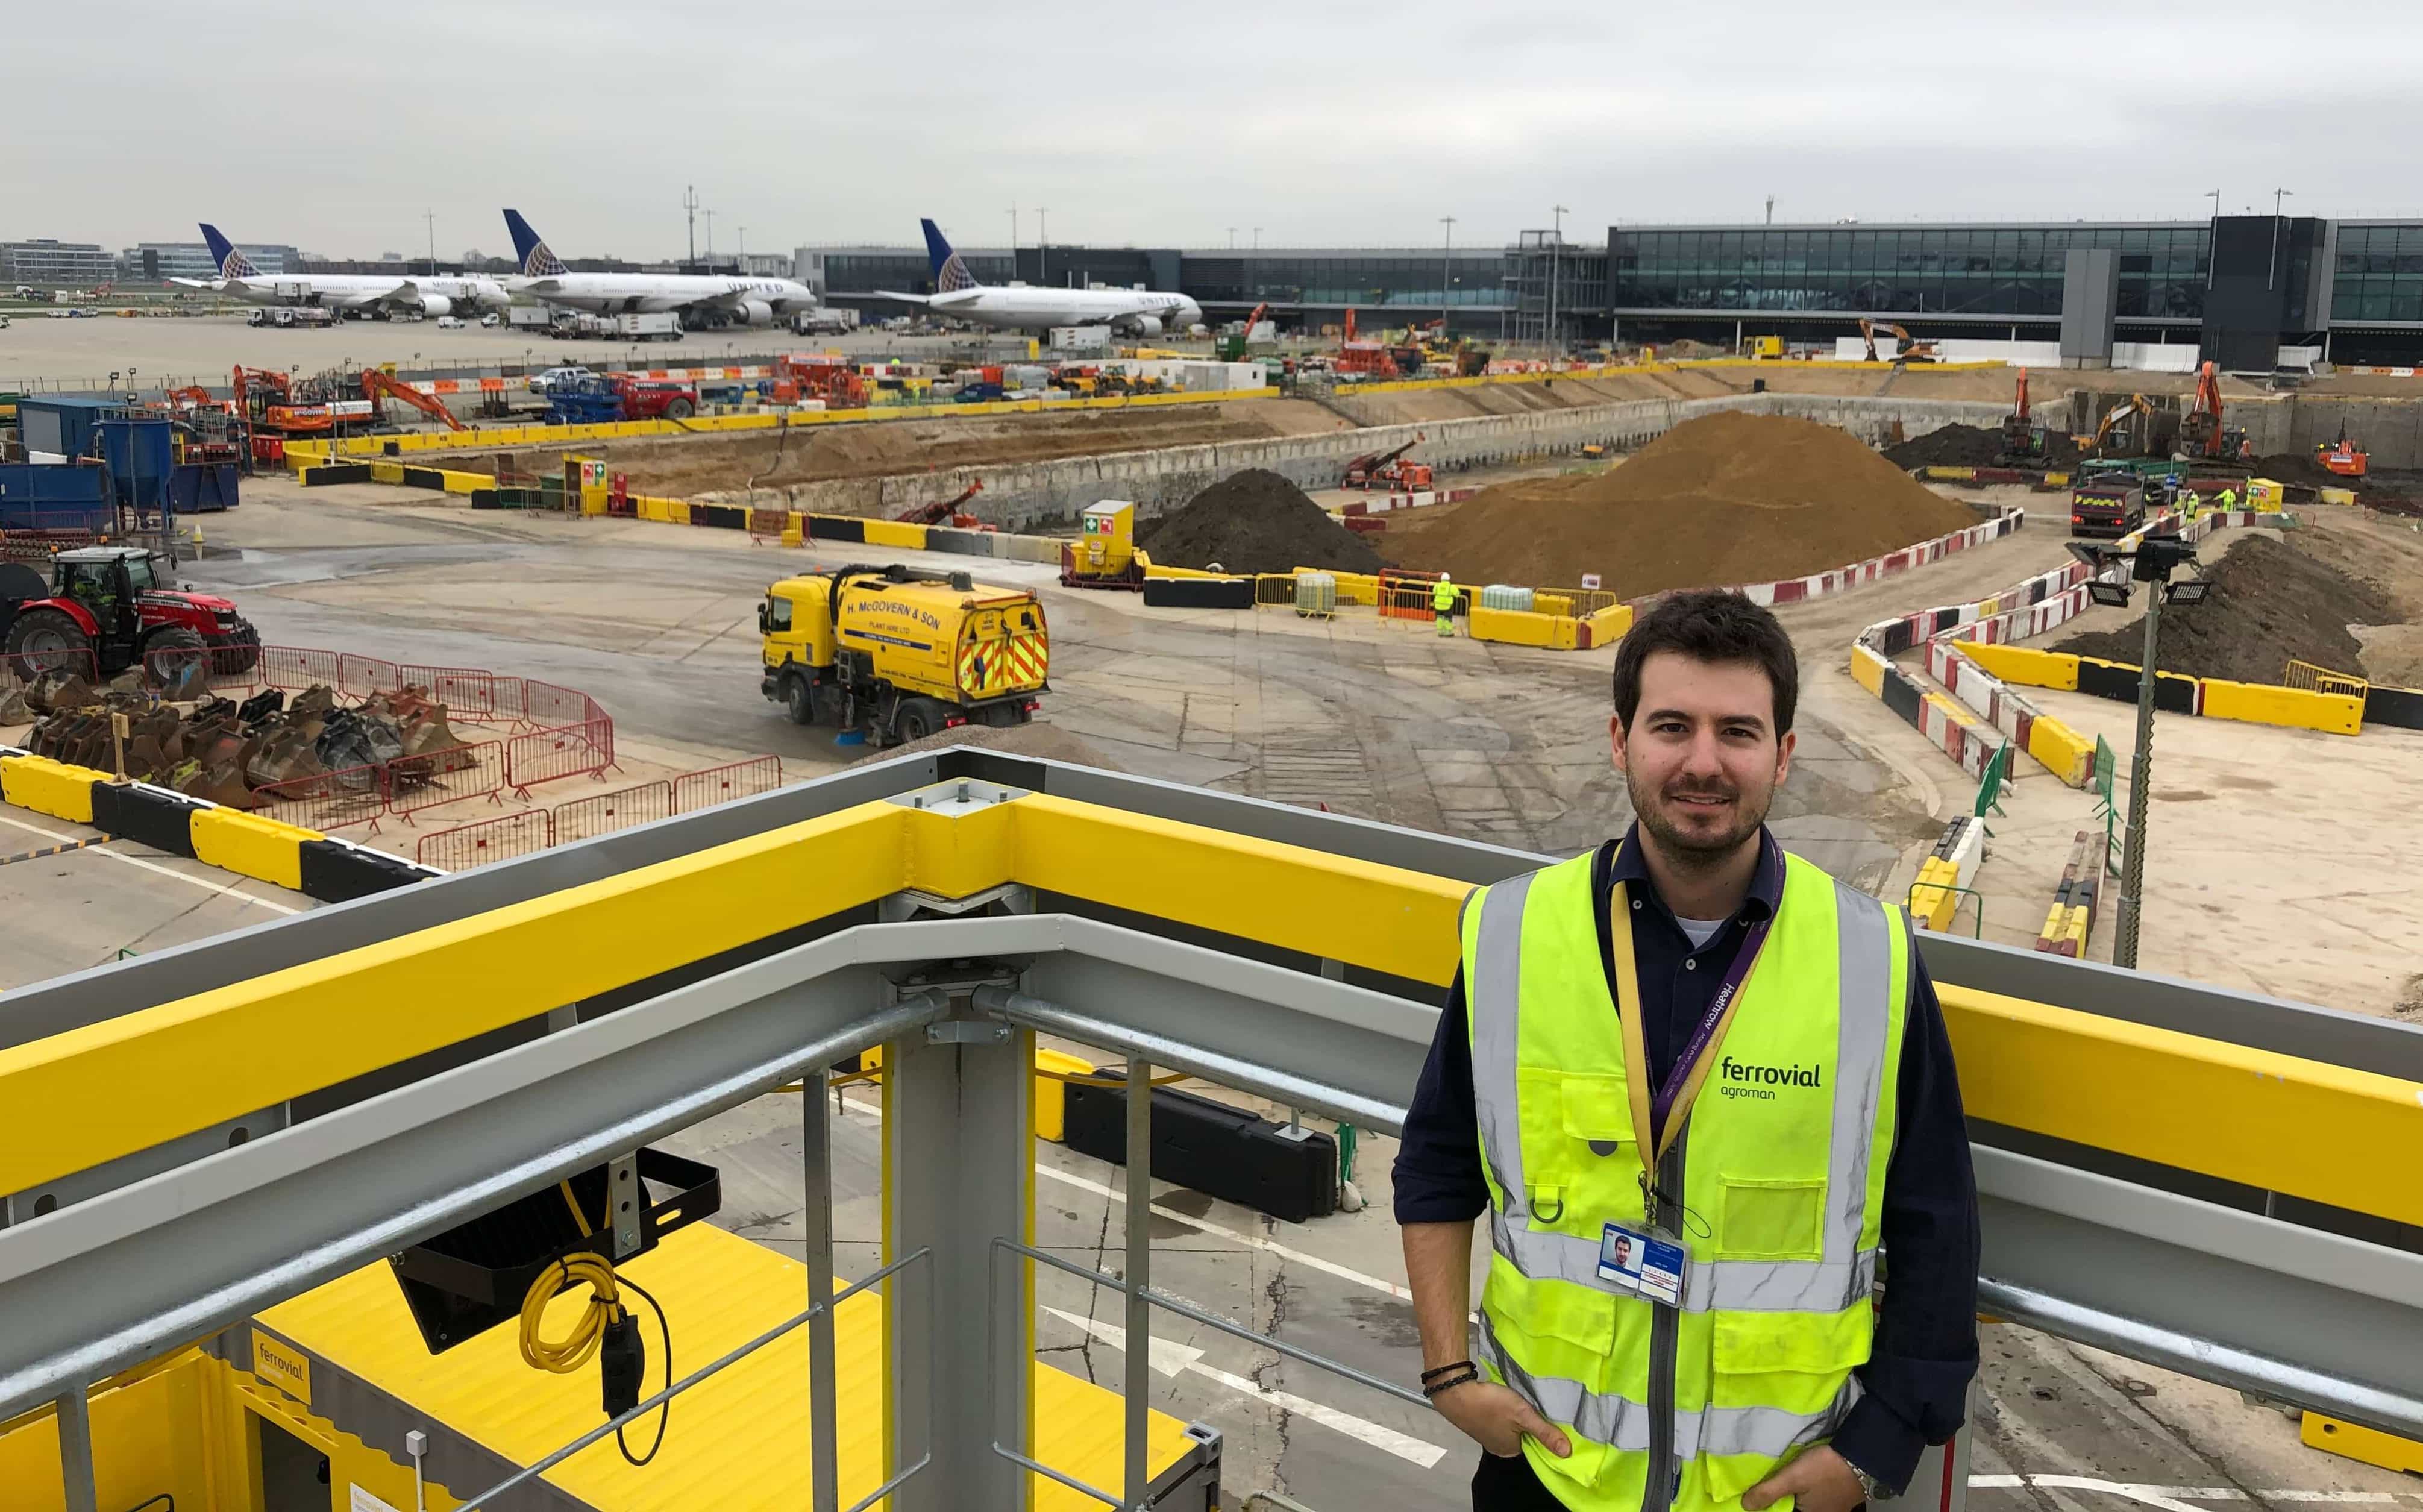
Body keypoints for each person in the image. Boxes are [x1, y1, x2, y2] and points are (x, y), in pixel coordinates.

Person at [1396, 589, 1980, 1512]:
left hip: (1777, 1489)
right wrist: (1447, 1373)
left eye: (1737, 733)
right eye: (1672, 726)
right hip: (1552, 1477)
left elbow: (1935, 1221)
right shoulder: (1514, 932)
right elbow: (1434, 1166)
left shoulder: (1870, 956)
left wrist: (1874, 1451)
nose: (1702, 762)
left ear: (1781, 756)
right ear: (1620, 739)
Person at [1434, 573, 1459, 637]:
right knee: (1447, 619)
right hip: (1447, 606)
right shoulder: (1451, 587)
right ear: (1449, 579)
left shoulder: (1437, 586)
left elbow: (1434, 592)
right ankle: (1447, 632)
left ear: (1441, 579)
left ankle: (1440, 632)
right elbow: (1457, 594)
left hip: (1438, 606)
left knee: (1439, 618)